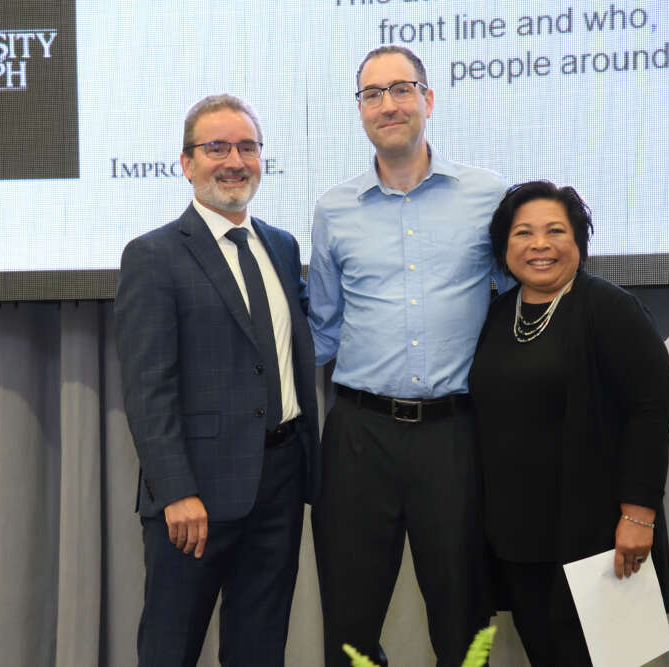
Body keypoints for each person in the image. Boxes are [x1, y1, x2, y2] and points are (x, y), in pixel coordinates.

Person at [307, 45, 511, 666]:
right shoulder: (332, 210)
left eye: (401, 89)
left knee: (464, 622)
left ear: (428, 99)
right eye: (372, 94)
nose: (387, 104)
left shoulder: (489, 197)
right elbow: (322, 329)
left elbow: (519, 314)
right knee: (348, 625)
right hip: (358, 438)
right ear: (360, 111)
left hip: (454, 437)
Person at [114, 93, 320, 667]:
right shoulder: (153, 255)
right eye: (216, 147)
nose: (234, 160)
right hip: (195, 496)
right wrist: (176, 490)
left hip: (279, 483)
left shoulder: (281, 246)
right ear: (186, 163)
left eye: (247, 147)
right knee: (170, 648)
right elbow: (147, 387)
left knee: (260, 650)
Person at [468, 180, 669, 665]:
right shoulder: (499, 314)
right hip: (519, 539)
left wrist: (637, 515)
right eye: (523, 233)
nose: (539, 245)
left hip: (597, 538)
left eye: (554, 231)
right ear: (504, 246)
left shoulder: (608, 308)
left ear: (578, 240)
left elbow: (651, 409)